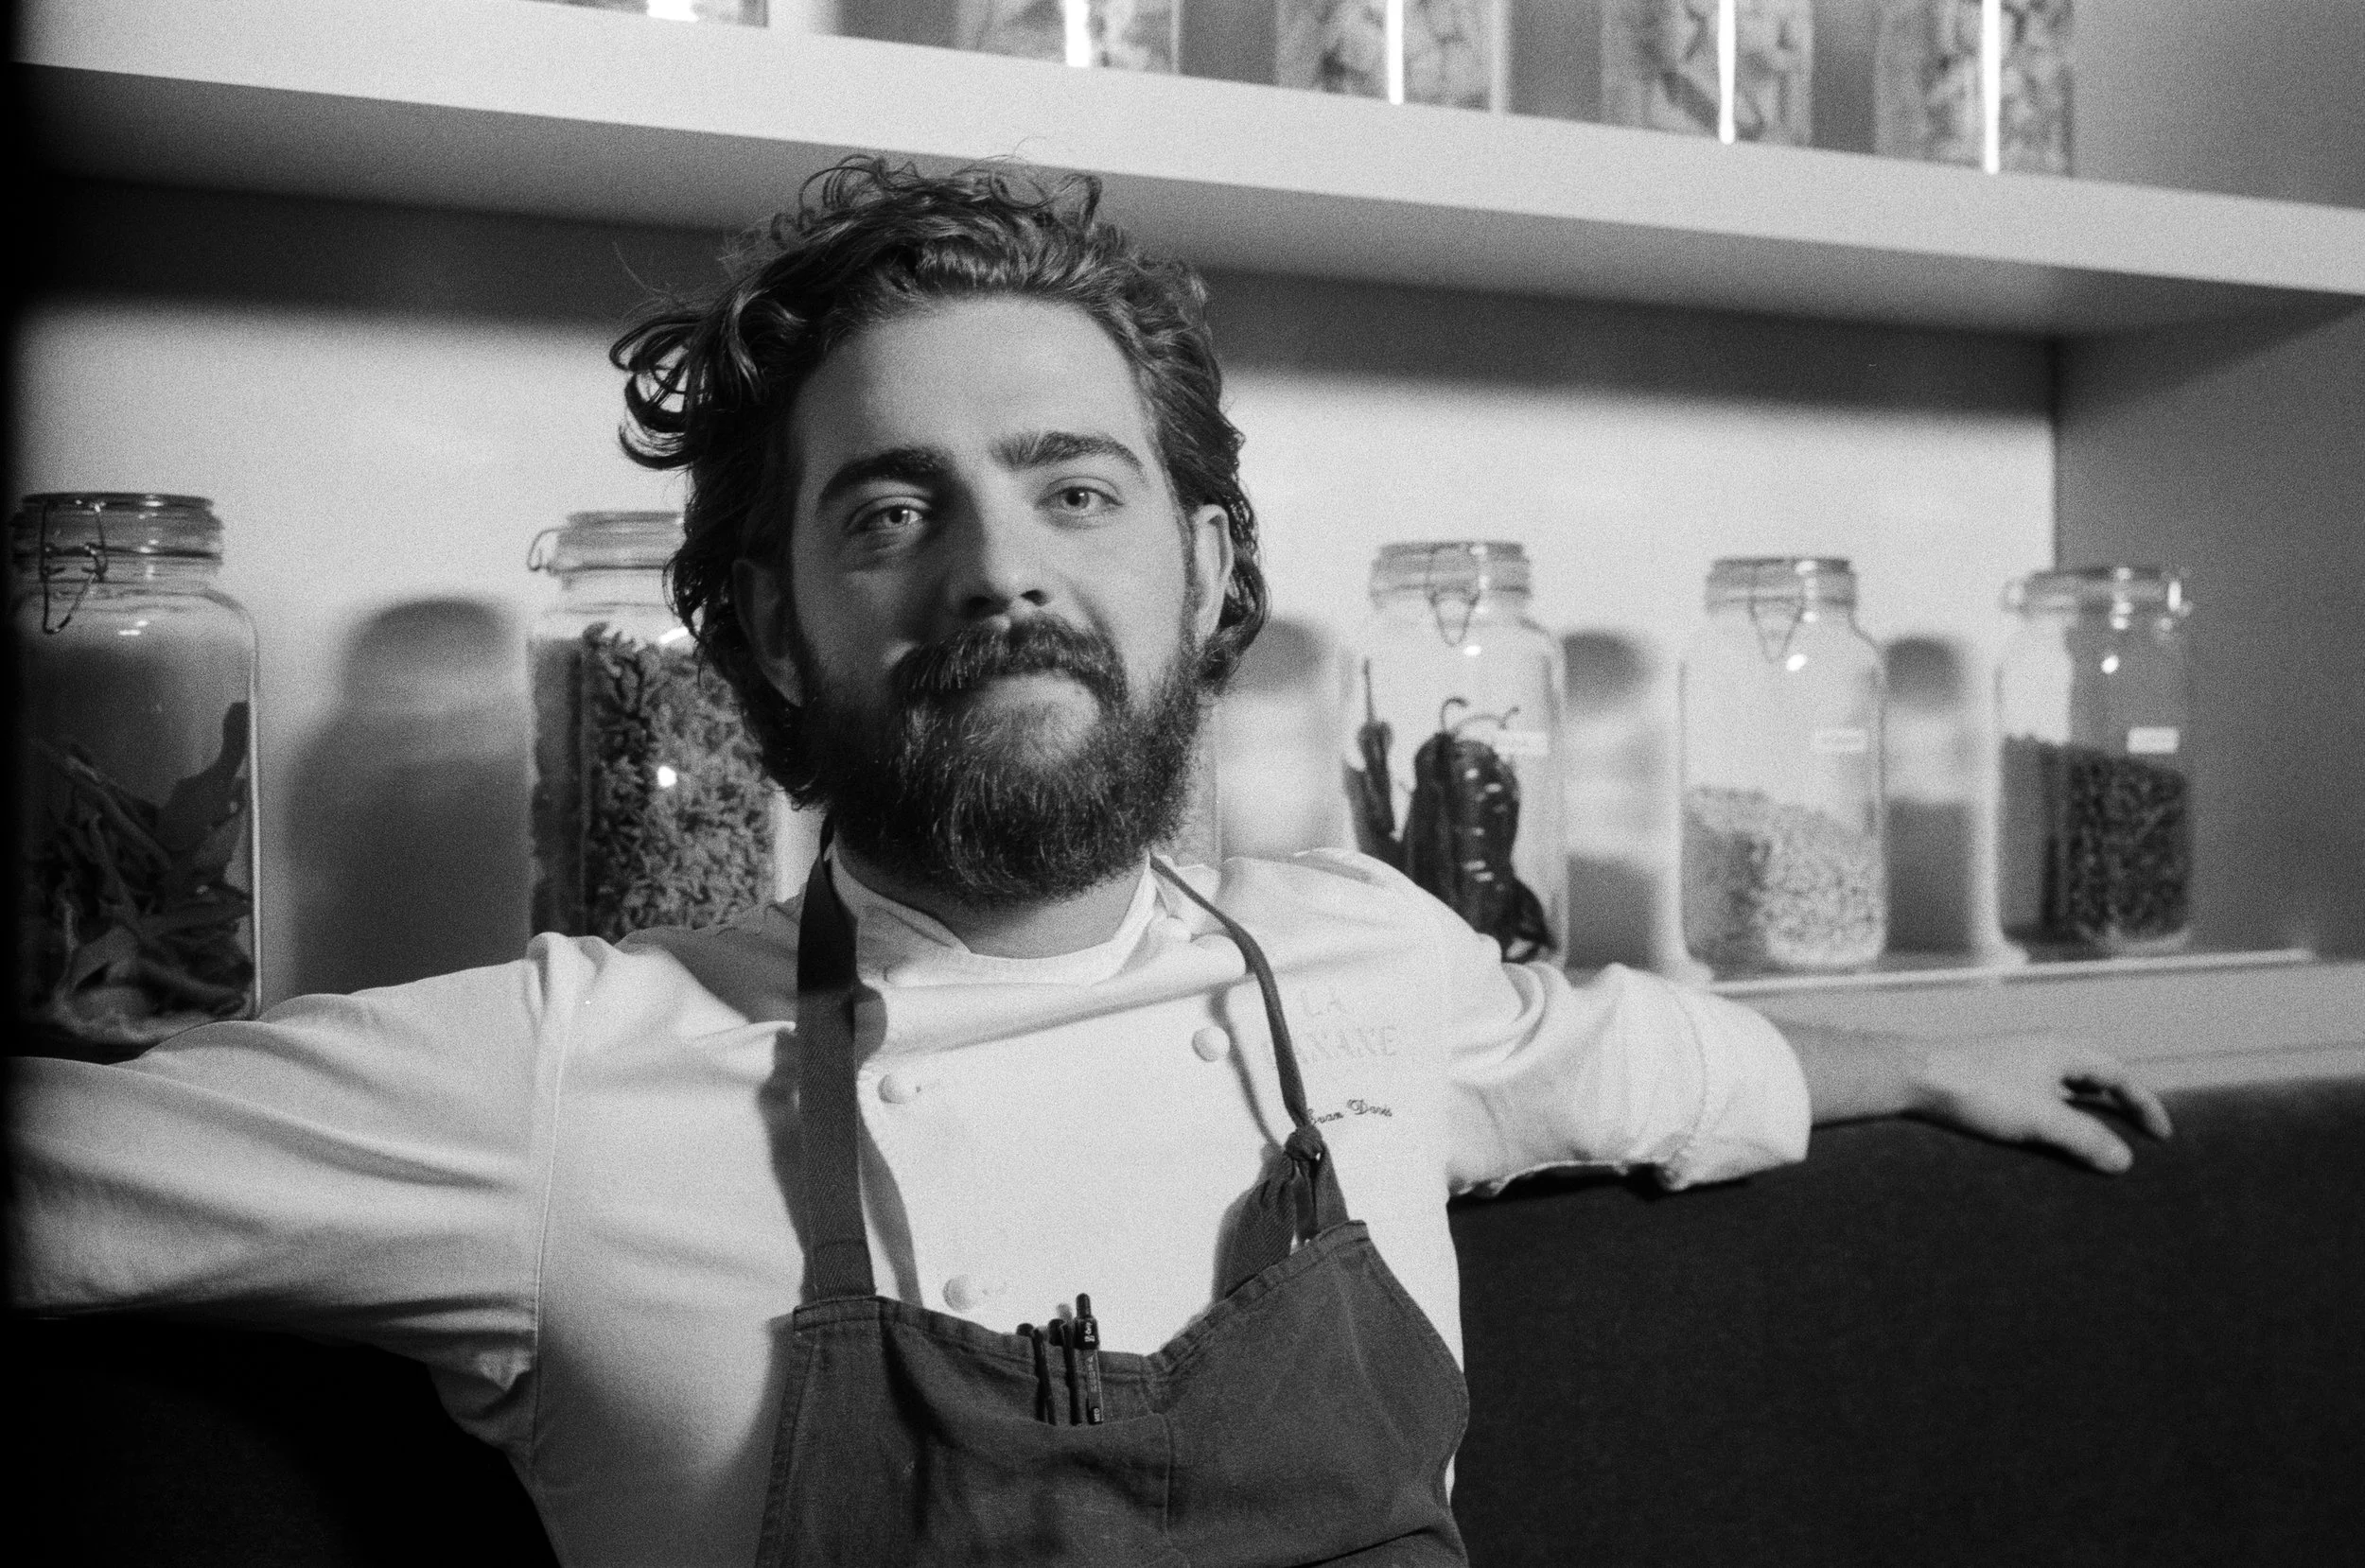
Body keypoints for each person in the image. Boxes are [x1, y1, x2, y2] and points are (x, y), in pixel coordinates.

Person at [8, 159, 2171, 1567]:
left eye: (1071, 489)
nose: (997, 571)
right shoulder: (562, 1082)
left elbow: (1641, 1064)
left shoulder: (1368, 967)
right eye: (890, 512)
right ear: (763, 627)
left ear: (1203, 562)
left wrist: (1925, 1068)